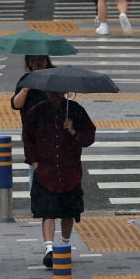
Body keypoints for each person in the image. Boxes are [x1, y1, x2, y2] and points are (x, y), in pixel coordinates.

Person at [22, 90, 97, 268]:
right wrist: (33, 162)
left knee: (68, 212)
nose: (53, 95)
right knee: (47, 212)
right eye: (50, 92)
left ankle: (64, 244)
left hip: (70, 171)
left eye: (57, 92)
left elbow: (89, 137)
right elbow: (27, 138)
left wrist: (72, 130)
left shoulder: (76, 110)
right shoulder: (37, 111)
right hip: (46, 171)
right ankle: (49, 249)